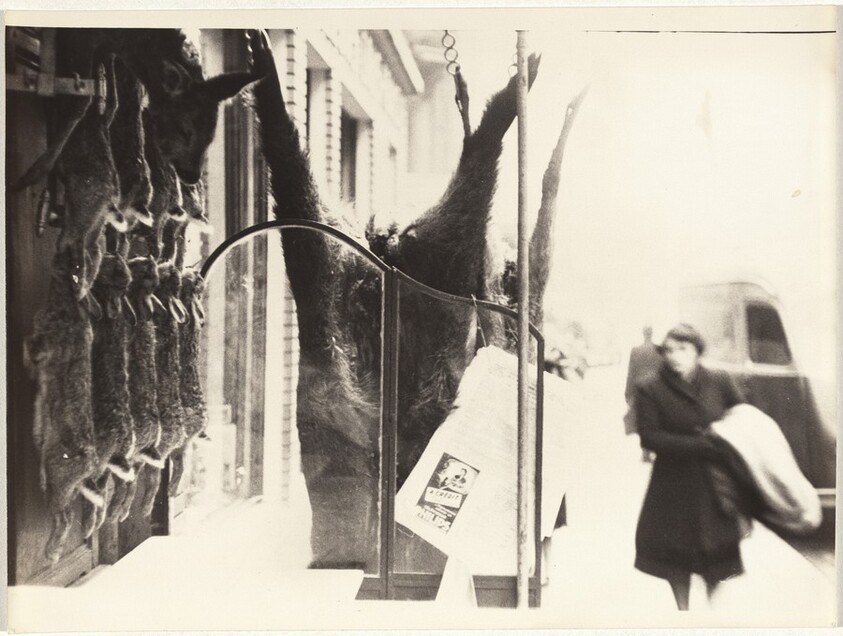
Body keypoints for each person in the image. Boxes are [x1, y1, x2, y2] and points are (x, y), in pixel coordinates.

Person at [632, 323, 747, 611]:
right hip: (673, 485)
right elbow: (649, 436)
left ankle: (714, 616)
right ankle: (683, 616)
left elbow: (740, 416)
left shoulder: (719, 380)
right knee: (676, 558)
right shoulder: (649, 387)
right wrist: (700, 445)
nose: (674, 356)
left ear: (697, 350)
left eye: (682, 349)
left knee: (717, 556)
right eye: (668, 350)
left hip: (715, 483)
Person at [624, 325, 662, 461]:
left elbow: (631, 373)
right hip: (656, 389)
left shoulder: (635, 351)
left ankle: (645, 452)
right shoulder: (659, 350)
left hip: (640, 390)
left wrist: (628, 392)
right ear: (652, 334)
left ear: (643, 334)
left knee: (643, 420)